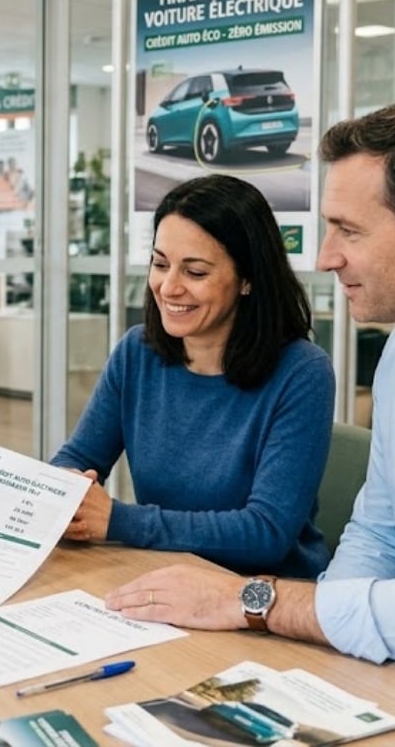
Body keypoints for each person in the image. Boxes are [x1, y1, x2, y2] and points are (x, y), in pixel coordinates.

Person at [105, 99, 395, 735]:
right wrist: (315, 672)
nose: (326, 257)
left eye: (349, 231)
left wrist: (256, 601)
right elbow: (377, 538)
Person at [52, 174, 335, 579]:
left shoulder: (302, 372)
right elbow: (77, 458)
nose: (168, 287)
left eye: (195, 272)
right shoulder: (137, 352)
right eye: (160, 264)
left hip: (262, 600)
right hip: (166, 575)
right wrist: (62, 488)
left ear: (248, 279)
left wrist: (117, 520)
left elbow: (267, 531)